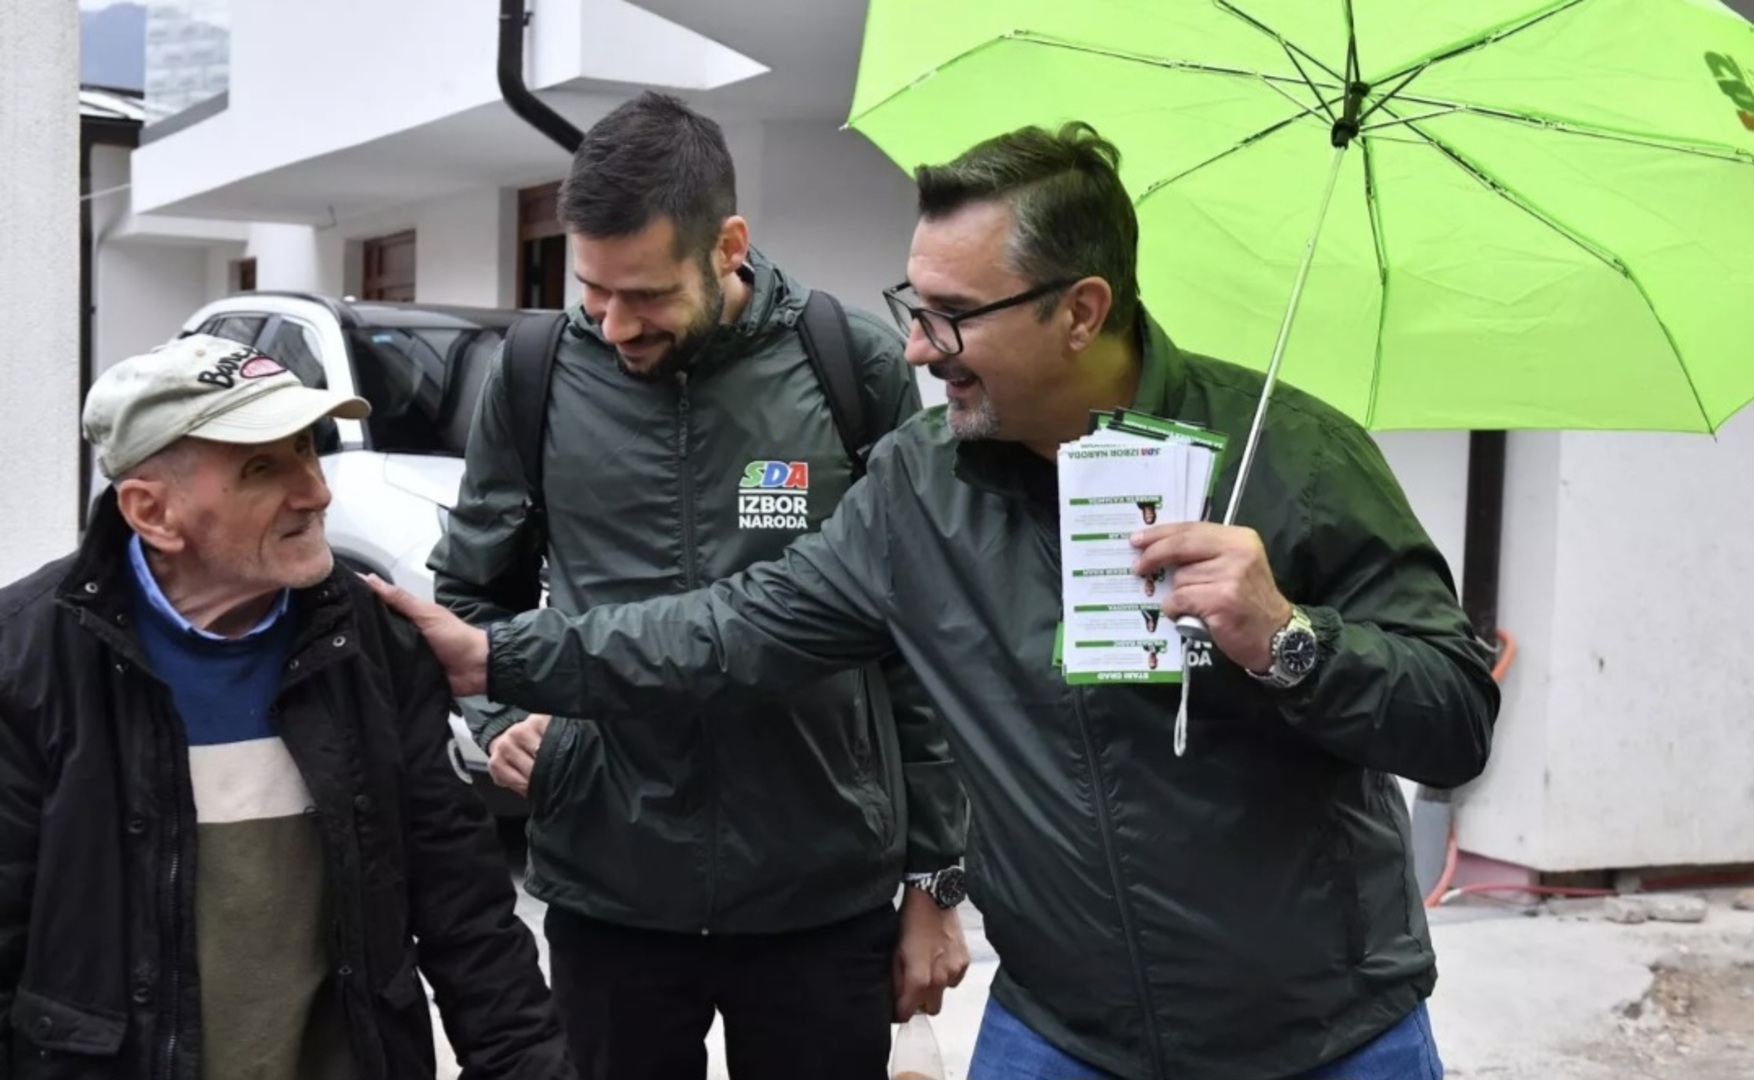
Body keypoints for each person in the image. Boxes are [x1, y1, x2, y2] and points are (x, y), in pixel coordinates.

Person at [373, 121, 1500, 1080]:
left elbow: (1451, 718)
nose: (914, 346)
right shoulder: (920, 484)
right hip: (1060, 1035)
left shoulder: (1289, 458)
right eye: (912, 302)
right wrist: (497, 660)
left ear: (1080, 311)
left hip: (1321, 1038)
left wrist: (1290, 642)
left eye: (951, 314)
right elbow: (733, 630)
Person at [427, 91, 970, 1080]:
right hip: (610, 884)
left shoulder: (848, 365)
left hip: (819, 884)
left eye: (645, 295)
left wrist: (933, 876)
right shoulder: (537, 372)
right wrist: (505, 722)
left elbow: (919, 637)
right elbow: (468, 592)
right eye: (593, 290)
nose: (614, 324)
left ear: (727, 246)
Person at [0, 335, 573, 1080]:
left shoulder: (369, 641)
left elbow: (464, 910)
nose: (315, 492)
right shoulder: (27, 661)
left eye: (307, 449)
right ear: (153, 512)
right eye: (261, 468)